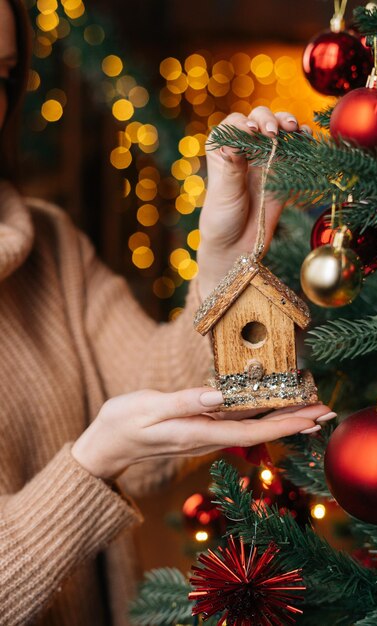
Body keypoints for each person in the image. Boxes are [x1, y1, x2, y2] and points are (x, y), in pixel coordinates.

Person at [0, 0, 336, 624]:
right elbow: (112, 439)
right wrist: (91, 465)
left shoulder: (47, 243)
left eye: (0, 77)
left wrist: (222, 265)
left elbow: (148, 400)